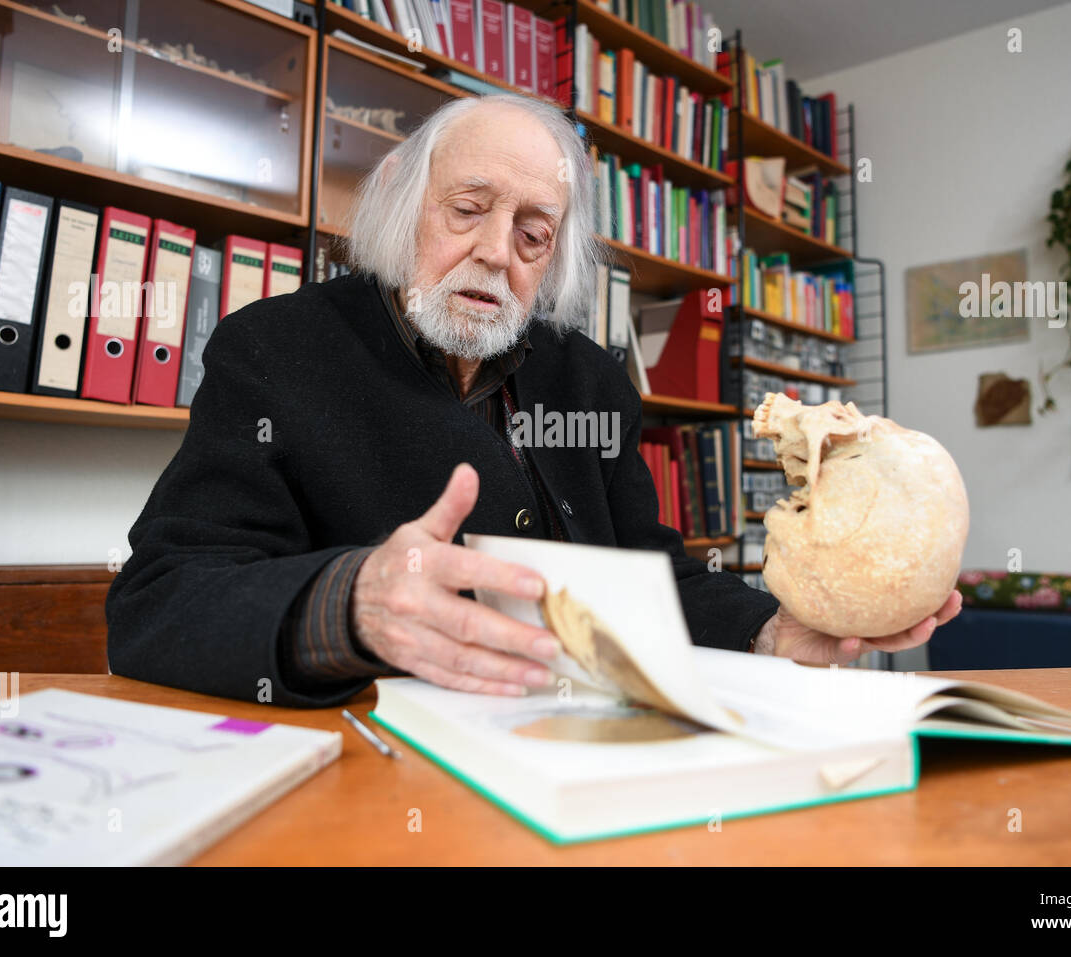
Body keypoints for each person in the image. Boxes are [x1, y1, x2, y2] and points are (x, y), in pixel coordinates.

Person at [106, 94, 960, 707]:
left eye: (531, 233)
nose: (492, 252)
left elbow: (655, 581)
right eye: (467, 208)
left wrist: (773, 634)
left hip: (586, 762)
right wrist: (351, 603)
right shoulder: (273, 351)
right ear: (406, 206)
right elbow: (158, 602)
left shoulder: (591, 379)